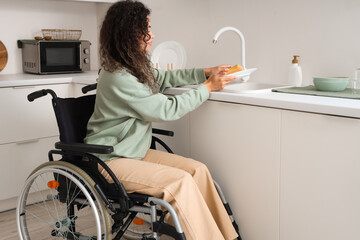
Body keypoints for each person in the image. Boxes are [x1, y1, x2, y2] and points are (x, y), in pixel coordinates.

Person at [85, 0, 238, 239]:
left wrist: (204, 72)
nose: (152, 34)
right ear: (129, 33)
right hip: (110, 159)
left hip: (133, 151)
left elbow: (164, 77)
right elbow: (166, 110)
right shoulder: (118, 76)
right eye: (146, 29)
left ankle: (228, 236)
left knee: (198, 170)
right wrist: (207, 88)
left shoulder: (132, 66)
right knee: (180, 182)